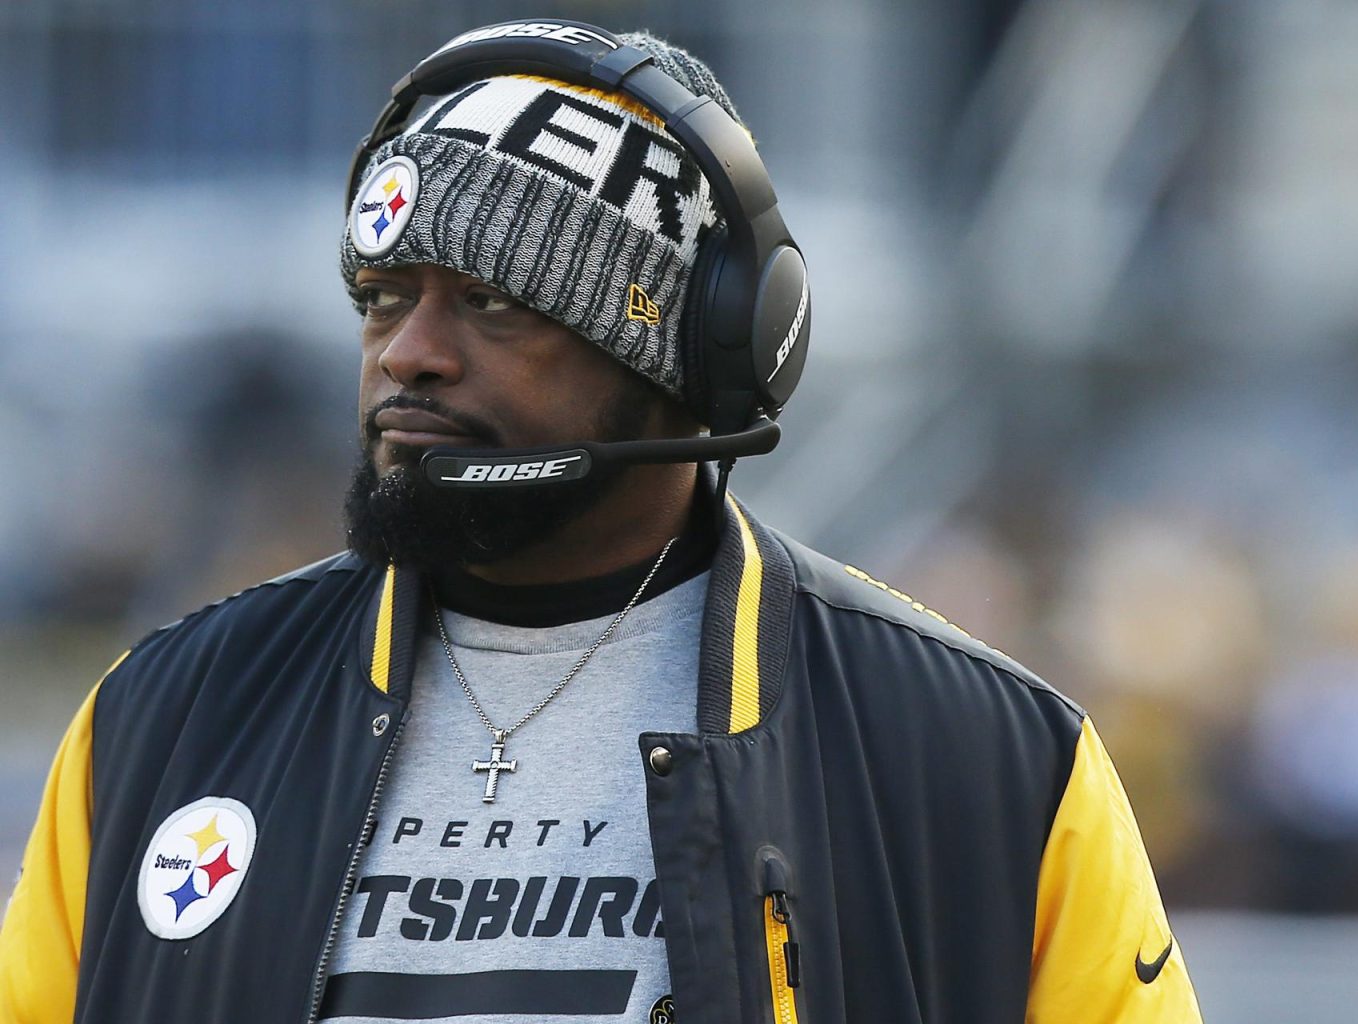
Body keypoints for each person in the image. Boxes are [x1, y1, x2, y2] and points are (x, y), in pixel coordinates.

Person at [0, 18, 1201, 1024]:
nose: (406, 354)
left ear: (684, 353)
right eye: (382, 299)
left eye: (489, 303)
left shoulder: (981, 755)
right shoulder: (163, 723)